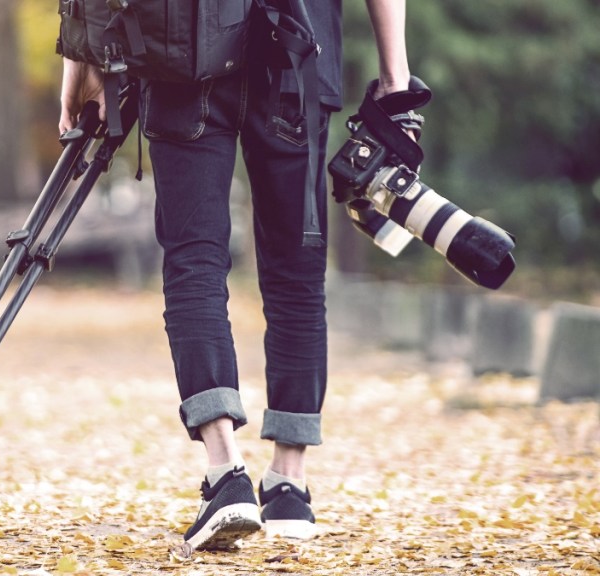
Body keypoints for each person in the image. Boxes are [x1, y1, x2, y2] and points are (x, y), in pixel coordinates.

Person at [58, 0, 413, 551]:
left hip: (181, 46)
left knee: (195, 259)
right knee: (296, 272)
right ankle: (290, 485)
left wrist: (84, 59)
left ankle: (226, 475)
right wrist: (396, 77)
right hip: (299, 47)